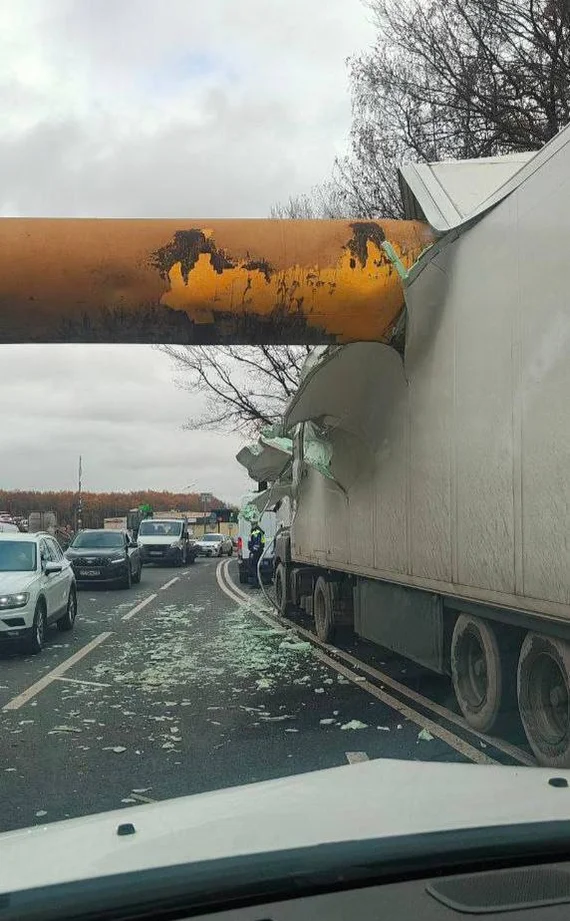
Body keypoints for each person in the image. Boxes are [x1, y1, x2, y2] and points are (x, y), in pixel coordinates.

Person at [248, 521, 265, 586]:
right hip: (259, 551)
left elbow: (256, 544)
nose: (251, 526)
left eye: (252, 524)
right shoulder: (260, 532)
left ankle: (256, 583)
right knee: (257, 567)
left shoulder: (256, 532)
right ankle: (258, 582)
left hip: (256, 552)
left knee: (254, 567)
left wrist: (253, 551)